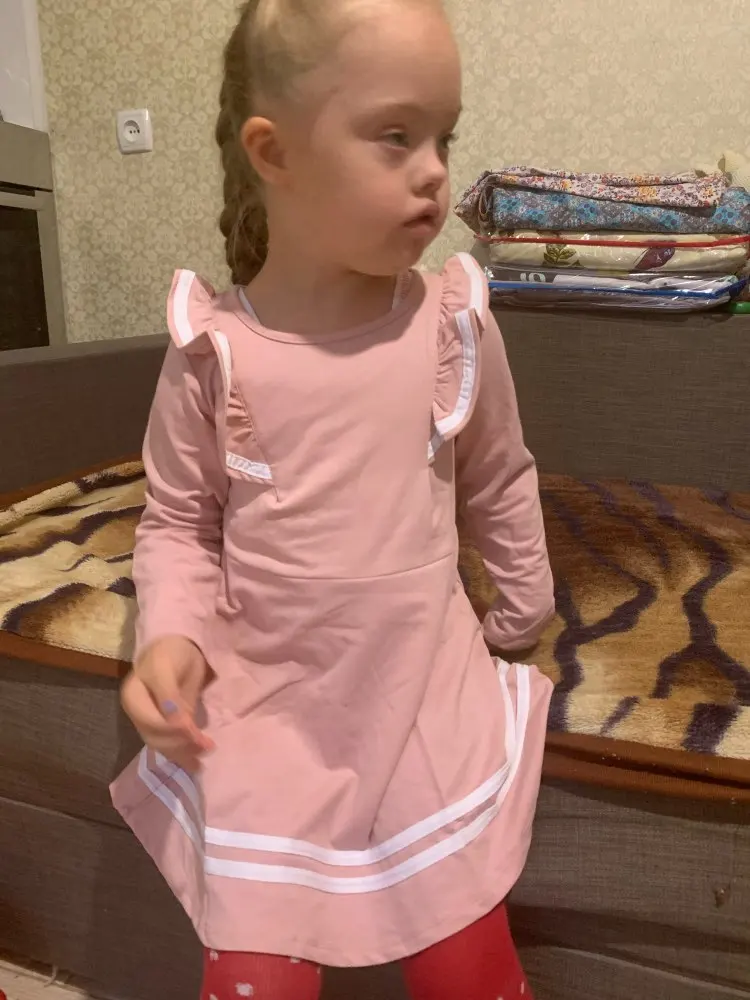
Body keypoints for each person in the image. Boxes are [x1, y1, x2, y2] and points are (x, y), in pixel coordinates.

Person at [111, 1, 555, 997]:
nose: (435, 172)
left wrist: (522, 612)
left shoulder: (453, 324)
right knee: (255, 972)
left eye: (444, 137)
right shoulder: (211, 351)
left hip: (424, 697)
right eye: (396, 136)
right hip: (269, 707)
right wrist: (167, 638)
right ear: (274, 152)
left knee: (467, 971)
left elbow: (498, 476)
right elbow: (178, 522)